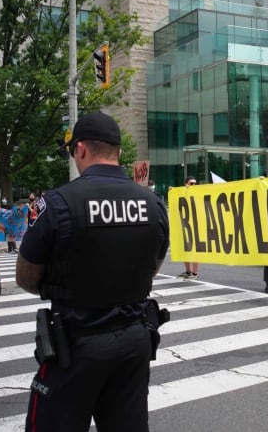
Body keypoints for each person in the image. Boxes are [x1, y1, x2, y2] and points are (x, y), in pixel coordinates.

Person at [16, 111, 169, 431]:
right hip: (135, 340)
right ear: (119, 153)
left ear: (80, 149)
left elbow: (26, 278)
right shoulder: (153, 204)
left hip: (76, 342)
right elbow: (152, 268)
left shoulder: (57, 203)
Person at [178, 175, 200, 280]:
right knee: (184, 249)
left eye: (195, 183)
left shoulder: (198, 194)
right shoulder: (180, 193)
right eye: (192, 183)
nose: (194, 185)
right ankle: (188, 271)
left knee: (195, 249)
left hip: (195, 225)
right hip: (184, 225)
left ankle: (195, 273)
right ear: (186, 184)